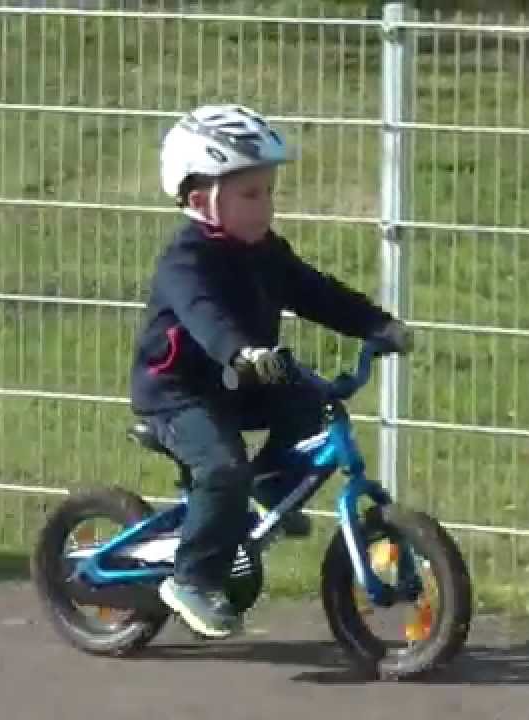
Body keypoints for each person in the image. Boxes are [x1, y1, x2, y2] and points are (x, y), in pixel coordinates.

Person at [128, 104, 413, 639]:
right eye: (250, 194)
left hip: (237, 380)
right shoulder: (186, 261)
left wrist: (376, 324)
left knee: (311, 403)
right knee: (221, 468)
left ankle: (268, 490)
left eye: (268, 192)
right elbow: (203, 315)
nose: (266, 206)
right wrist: (240, 351)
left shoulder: (264, 251)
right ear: (199, 199)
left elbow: (313, 291)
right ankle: (192, 579)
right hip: (177, 392)